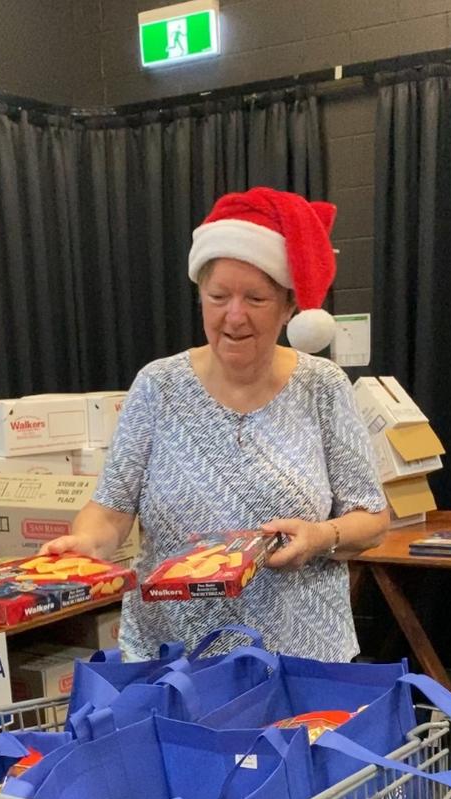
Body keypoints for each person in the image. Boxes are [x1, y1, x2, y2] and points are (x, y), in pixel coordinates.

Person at [43, 187, 389, 660]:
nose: (234, 315)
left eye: (256, 298)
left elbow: (371, 518)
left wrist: (321, 537)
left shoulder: (322, 387)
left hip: (300, 654)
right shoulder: (158, 386)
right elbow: (110, 511)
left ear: (289, 306)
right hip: (171, 657)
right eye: (218, 295)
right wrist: (85, 545)